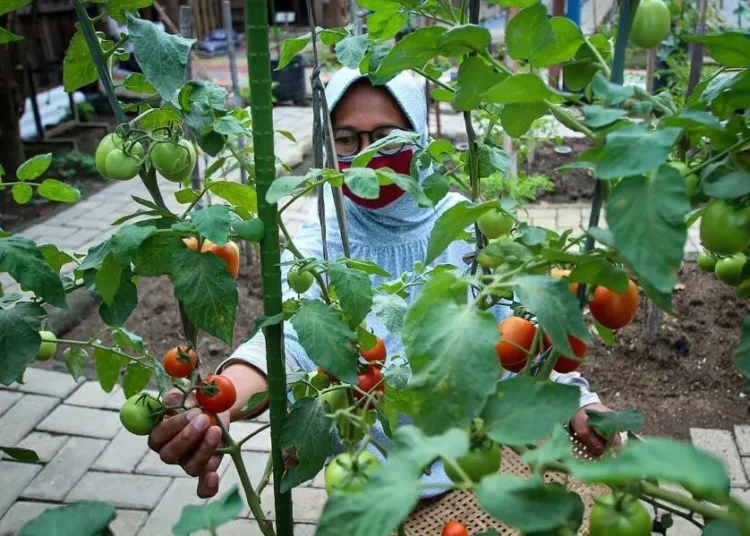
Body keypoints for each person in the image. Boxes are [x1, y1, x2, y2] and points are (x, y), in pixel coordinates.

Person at [147, 67, 622, 498]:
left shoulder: (467, 223)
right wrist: (222, 399)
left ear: (418, 134)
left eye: (386, 138)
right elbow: (289, 341)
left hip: (484, 464)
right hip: (373, 481)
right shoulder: (322, 235)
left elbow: (526, 333)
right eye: (347, 139)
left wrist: (578, 398)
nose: (368, 155)